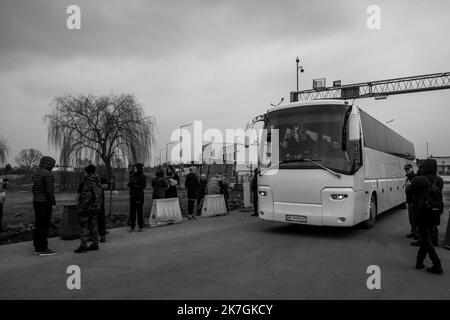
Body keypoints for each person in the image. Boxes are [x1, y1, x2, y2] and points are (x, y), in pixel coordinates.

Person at [410, 158, 444, 274]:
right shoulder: (440, 180)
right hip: (435, 213)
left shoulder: (418, 179)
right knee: (426, 237)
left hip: (422, 213)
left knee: (425, 238)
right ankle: (419, 262)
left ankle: (437, 264)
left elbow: (409, 192)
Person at [31, 156, 57, 256]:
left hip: (36, 201)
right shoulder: (48, 174)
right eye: (52, 165)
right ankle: (43, 249)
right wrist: (53, 202)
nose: (53, 167)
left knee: (38, 224)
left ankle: (37, 247)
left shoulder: (36, 173)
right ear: (49, 164)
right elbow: (49, 190)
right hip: (45, 202)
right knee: (44, 226)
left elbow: (34, 189)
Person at [75, 164, 102, 253]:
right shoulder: (97, 181)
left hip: (87, 208)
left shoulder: (87, 182)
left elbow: (86, 197)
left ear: (87, 172)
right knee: (94, 226)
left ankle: (83, 246)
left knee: (83, 226)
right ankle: (95, 244)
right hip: (95, 207)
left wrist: (80, 207)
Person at [127, 163, 147, 232]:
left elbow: (143, 186)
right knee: (132, 212)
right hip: (133, 195)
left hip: (139, 196)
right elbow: (130, 183)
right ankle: (132, 227)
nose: (134, 169)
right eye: (134, 168)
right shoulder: (132, 175)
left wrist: (136, 186)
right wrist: (130, 185)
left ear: (139, 169)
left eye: (135, 168)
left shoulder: (143, 176)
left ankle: (140, 226)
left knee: (139, 212)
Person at [404, 164, 418, 240]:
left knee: (414, 218)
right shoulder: (407, 178)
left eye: (408, 168)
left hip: (414, 201)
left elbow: (416, 190)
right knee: (411, 218)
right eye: (405, 169)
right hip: (409, 200)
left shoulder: (415, 178)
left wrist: (410, 186)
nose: (406, 170)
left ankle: (417, 233)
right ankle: (413, 231)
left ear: (412, 169)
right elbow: (407, 191)